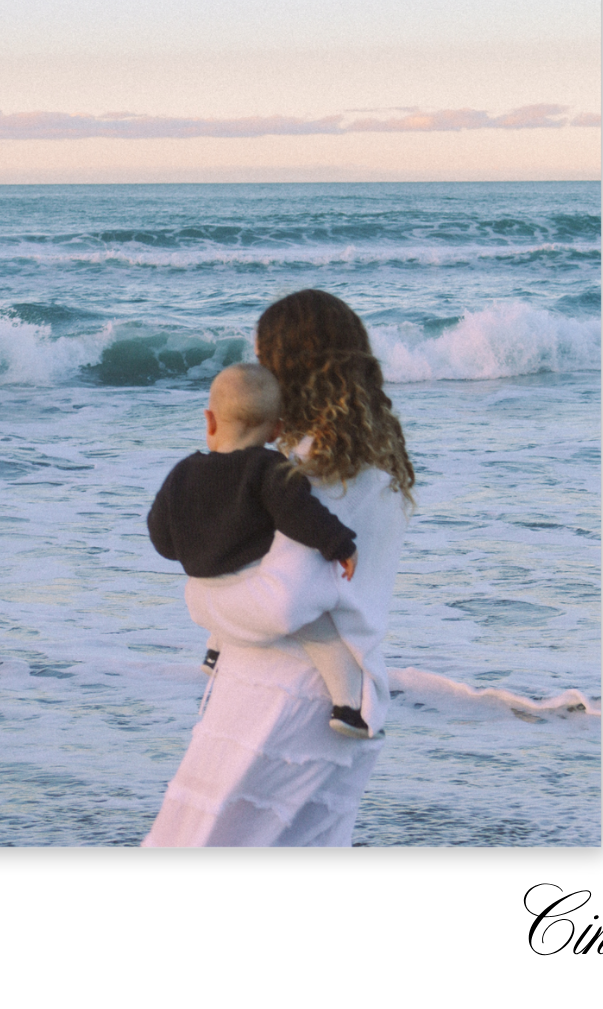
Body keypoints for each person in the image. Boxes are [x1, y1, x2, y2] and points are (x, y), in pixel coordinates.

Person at [143, 290, 417, 847]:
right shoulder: (377, 465)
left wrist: (200, 601)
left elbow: (282, 603)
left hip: (280, 705)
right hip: (337, 703)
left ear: (288, 368)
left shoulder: (311, 473)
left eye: (265, 358)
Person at [146, 361, 373, 739]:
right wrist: (341, 544)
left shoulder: (183, 473)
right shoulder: (269, 469)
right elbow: (302, 516)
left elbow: (161, 538)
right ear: (277, 429)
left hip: (201, 601)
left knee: (222, 582)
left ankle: (215, 653)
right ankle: (348, 707)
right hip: (259, 602)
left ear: (210, 421)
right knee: (317, 629)